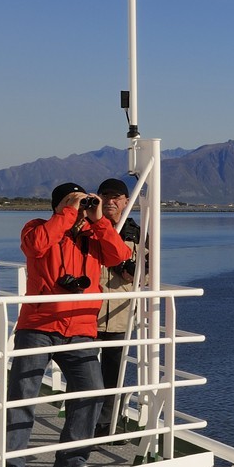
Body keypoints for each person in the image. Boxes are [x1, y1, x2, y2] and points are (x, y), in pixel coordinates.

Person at [4, 182, 132, 467]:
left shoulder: (92, 234)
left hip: (81, 329)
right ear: (59, 206)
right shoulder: (37, 228)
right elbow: (36, 247)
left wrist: (99, 220)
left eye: (82, 203)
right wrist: (66, 213)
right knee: (22, 397)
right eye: (73, 203)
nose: (80, 210)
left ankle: (71, 463)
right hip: (38, 327)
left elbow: (119, 256)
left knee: (91, 393)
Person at [94, 177, 144, 437]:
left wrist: (134, 271)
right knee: (85, 377)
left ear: (126, 202)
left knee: (114, 375)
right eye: (106, 195)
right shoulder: (87, 228)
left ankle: (107, 426)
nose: (110, 201)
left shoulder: (135, 233)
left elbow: (147, 272)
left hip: (120, 315)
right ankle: (82, 426)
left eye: (116, 197)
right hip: (87, 314)